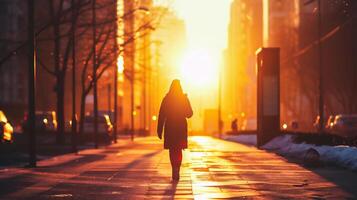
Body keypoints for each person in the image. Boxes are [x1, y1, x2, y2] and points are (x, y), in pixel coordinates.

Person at [157, 79, 193, 181]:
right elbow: (190, 114)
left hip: (170, 127)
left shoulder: (166, 99)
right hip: (181, 127)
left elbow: (161, 115)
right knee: (178, 148)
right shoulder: (184, 98)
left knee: (173, 149)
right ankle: (177, 167)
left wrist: (159, 130)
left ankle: (174, 167)